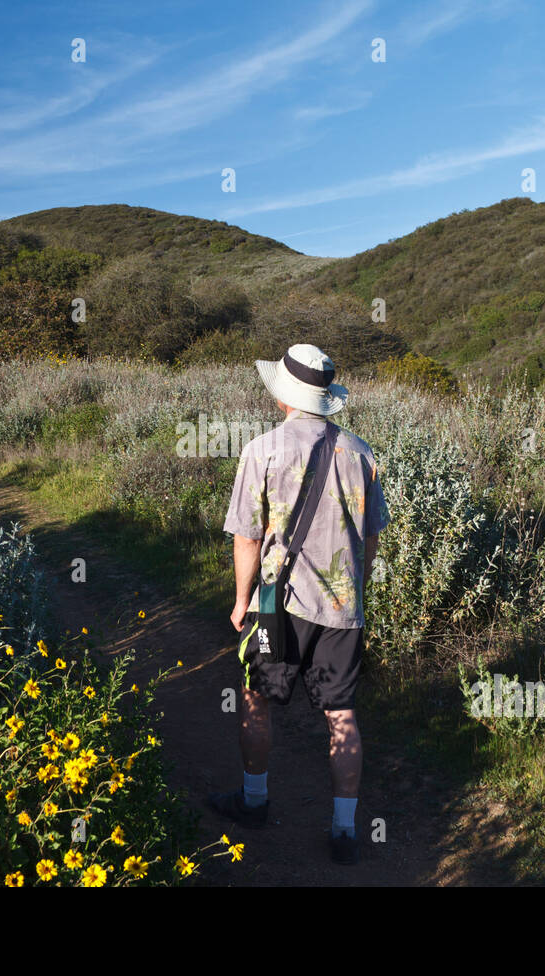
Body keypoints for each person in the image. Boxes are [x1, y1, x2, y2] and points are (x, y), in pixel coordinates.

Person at [207, 343, 390, 865]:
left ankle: (254, 801)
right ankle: (344, 831)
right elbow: (370, 538)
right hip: (343, 609)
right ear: (325, 397)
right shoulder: (361, 452)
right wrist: (357, 590)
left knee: (257, 696)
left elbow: (246, 537)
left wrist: (241, 601)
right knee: (342, 713)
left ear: (285, 396)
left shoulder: (261, 449)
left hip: (275, 603)